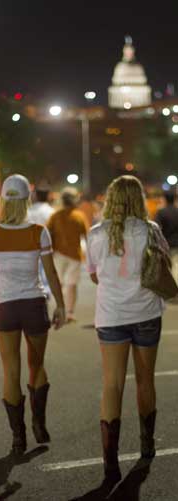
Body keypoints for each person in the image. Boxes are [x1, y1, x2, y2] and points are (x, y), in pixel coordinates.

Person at [86, 175, 167, 495]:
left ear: (110, 199)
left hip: (111, 316)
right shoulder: (151, 230)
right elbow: (163, 267)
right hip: (146, 313)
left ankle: (110, 461)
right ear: (138, 199)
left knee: (112, 383)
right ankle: (147, 446)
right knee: (145, 379)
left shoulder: (96, 233)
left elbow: (93, 276)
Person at [0, 174, 65, 456]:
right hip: (34, 305)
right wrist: (62, 305)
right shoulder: (38, 231)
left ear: (3, 199)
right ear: (27, 199)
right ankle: (39, 424)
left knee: (10, 370)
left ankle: (18, 439)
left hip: (5, 307)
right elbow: (51, 273)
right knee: (37, 365)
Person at [47, 187, 88, 322]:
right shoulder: (79, 216)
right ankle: (69, 312)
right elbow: (87, 236)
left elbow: (47, 234)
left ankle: (61, 308)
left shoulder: (55, 216)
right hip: (75, 255)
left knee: (60, 283)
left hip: (58, 253)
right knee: (71, 284)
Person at [28, 181, 55, 297]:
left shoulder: (29, 211)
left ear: (36, 195)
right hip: (46, 247)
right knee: (46, 273)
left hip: (30, 247)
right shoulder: (51, 212)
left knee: (34, 273)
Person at [155, 190, 178, 286]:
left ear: (164, 199)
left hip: (166, 244)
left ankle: (171, 289)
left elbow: (157, 228)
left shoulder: (161, 212)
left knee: (168, 267)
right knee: (176, 266)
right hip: (177, 244)